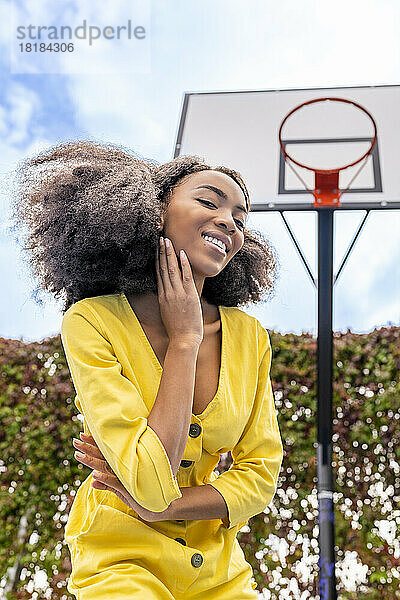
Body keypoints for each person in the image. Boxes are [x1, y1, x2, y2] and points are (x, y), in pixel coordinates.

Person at [11, 140, 284, 599]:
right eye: (208, 201)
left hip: (219, 571)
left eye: (240, 217)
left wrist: (168, 508)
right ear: (155, 210)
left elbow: (260, 474)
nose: (229, 222)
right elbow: (148, 481)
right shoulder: (92, 321)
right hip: (120, 559)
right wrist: (185, 340)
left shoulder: (249, 336)